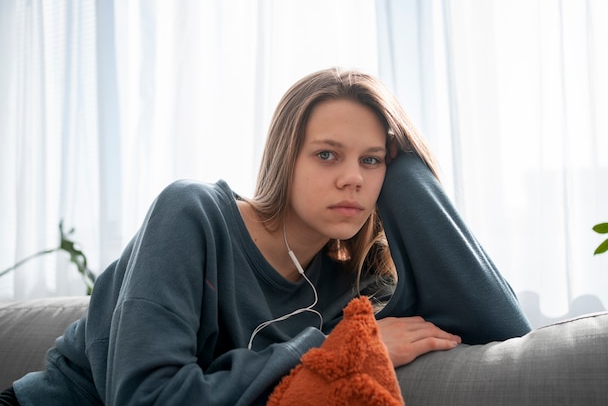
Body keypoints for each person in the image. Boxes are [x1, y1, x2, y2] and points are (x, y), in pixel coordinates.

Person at [2, 68, 531, 406]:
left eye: (371, 160)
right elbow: (149, 397)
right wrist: (336, 348)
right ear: (286, 157)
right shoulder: (192, 214)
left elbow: (505, 327)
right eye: (327, 154)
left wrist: (405, 170)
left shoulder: (355, 284)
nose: (353, 177)